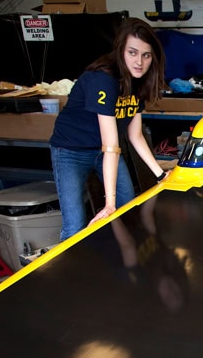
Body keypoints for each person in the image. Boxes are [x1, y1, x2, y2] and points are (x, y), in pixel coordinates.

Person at [50, 18, 168, 241]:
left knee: (128, 207)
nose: (139, 62)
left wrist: (161, 175)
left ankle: (125, 261)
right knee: (75, 225)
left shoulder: (137, 82)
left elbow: (135, 135)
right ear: (121, 50)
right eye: (132, 52)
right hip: (70, 151)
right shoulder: (103, 80)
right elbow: (112, 147)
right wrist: (109, 203)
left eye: (146, 55)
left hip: (104, 151)